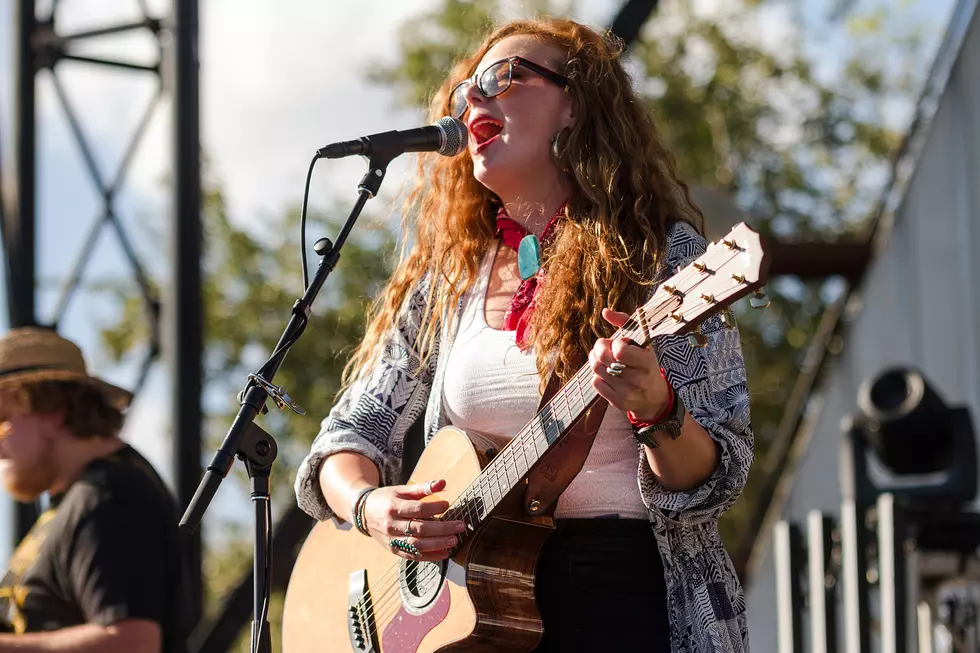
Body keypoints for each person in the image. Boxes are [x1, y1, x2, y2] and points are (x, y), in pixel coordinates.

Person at [295, 16, 753, 652]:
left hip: (625, 597)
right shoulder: (448, 280)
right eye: (465, 93)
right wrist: (371, 508)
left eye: (505, 78)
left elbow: (719, 476)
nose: (475, 99)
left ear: (575, 106)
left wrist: (658, 411)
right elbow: (348, 437)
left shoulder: (662, 260)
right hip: (469, 603)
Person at [0, 327, 189, 652]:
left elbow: (133, 644)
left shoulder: (110, 496)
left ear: (53, 409)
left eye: (2, 419)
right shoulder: (81, 498)